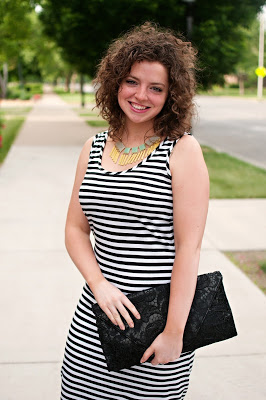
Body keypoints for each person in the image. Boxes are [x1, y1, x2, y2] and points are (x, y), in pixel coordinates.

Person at [61, 22, 209, 400]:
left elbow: (188, 249)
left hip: (157, 325)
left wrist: (174, 334)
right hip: (93, 323)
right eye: (131, 81)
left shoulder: (181, 150)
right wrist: (100, 286)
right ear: (115, 83)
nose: (141, 95)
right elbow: (76, 229)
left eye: (156, 88)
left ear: (171, 94)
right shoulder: (93, 146)